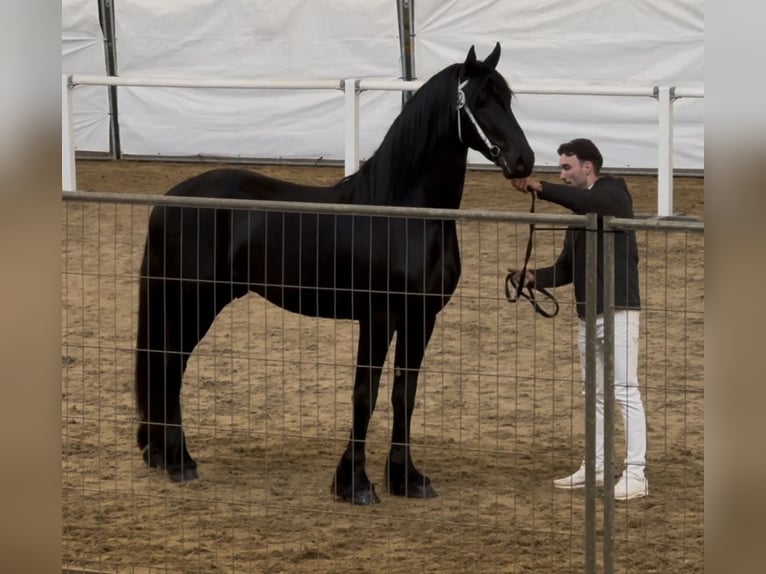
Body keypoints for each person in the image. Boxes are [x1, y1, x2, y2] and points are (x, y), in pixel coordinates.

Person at [510, 138, 648, 501]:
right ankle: (598, 464)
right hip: (589, 314)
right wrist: (533, 278)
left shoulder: (613, 193)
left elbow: (592, 202)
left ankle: (637, 471)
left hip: (618, 310)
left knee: (625, 390)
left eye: (566, 167)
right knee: (596, 394)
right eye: (559, 169)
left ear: (588, 167)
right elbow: (566, 268)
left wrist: (542, 187)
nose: (562, 174)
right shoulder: (580, 216)